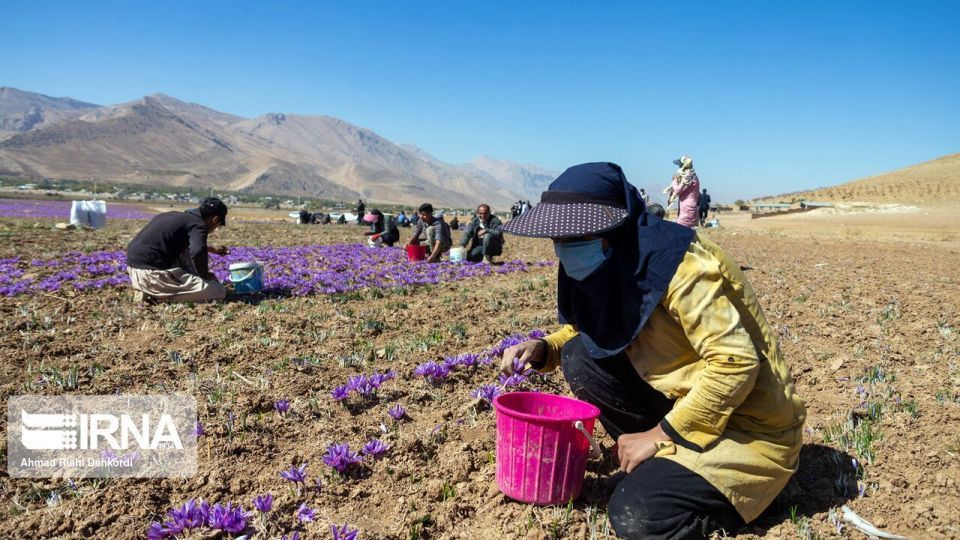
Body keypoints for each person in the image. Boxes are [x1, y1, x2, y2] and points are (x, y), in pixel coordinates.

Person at [499, 163, 805, 540]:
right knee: (580, 354)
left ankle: (745, 490)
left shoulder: (681, 266)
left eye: (578, 235)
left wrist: (659, 434)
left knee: (638, 515)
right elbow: (587, 330)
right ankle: (662, 462)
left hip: (746, 429)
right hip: (685, 405)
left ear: (616, 227)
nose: (566, 247)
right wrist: (547, 347)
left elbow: (735, 363)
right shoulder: (614, 263)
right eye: (560, 238)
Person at [126, 197, 230, 304]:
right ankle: (155, 297)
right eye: (217, 226)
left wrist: (213, 249)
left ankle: (153, 290)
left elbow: (186, 245)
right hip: (153, 276)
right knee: (218, 291)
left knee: (184, 252)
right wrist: (204, 276)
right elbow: (198, 251)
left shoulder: (173, 215)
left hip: (135, 272)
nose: (214, 230)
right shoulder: (198, 224)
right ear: (215, 220)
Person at [664, 155, 700, 228]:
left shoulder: (688, 175)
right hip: (688, 207)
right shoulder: (691, 174)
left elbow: (678, 190)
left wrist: (674, 182)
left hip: (688, 208)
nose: (679, 167)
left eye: (680, 165)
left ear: (684, 165)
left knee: (680, 230)